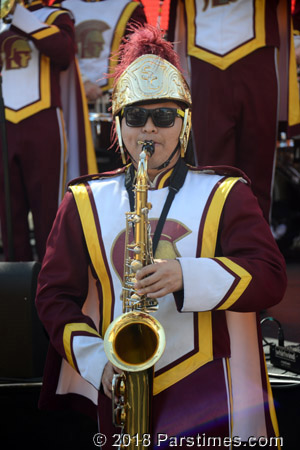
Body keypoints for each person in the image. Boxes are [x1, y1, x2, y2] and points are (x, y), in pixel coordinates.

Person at [36, 25, 287, 449]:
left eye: (163, 116)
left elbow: (270, 276)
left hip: (206, 384)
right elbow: (53, 296)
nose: (148, 130)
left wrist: (186, 275)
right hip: (120, 384)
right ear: (119, 125)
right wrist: (100, 364)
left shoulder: (225, 193)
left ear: (184, 125)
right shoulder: (83, 201)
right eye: (136, 117)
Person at [167, 0, 300, 223]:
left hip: (256, 48)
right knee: (212, 173)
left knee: (256, 168)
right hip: (203, 52)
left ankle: (257, 249)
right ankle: (215, 245)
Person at [0, 0, 97, 262]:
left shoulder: (57, 16)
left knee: (48, 216)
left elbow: (62, 52)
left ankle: (50, 290)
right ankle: (14, 292)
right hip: (4, 124)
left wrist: (17, 15)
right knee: (9, 220)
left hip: (43, 122)